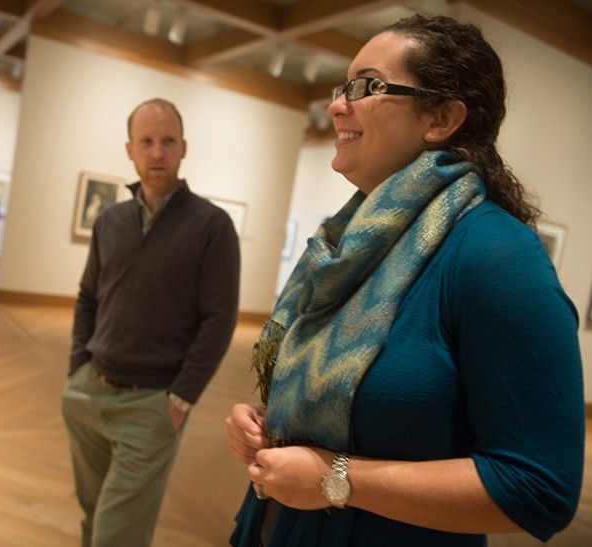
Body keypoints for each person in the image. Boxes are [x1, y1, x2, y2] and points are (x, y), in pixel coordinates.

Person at [225, 14, 583, 547]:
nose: (337, 105)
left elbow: (538, 486)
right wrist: (265, 423)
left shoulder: (495, 255)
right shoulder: (348, 243)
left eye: (365, 86)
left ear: (440, 118)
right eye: (342, 86)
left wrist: (333, 478)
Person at [62, 98, 241, 547]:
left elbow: (218, 318)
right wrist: (75, 370)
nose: (157, 152)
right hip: (89, 393)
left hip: (151, 406)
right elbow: (88, 297)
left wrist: (181, 397)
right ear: (130, 150)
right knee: (92, 514)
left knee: (116, 535)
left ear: (183, 148)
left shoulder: (211, 226)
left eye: (167, 141)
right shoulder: (110, 220)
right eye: (146, 142)